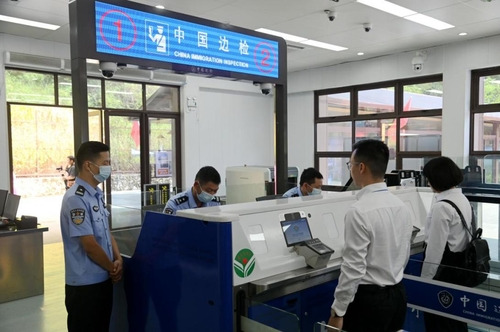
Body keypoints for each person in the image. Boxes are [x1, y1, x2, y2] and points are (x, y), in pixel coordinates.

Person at [328, 139, 413, 332]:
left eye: (351, 165)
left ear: (361, 167)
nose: (350, 169)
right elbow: (404, 253)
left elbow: (353, 268)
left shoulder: (358, 211)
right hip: (397, 296)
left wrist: (338, 311)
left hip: (369, 302)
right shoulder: (401, 207)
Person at [60, 141, 123, 332]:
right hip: (84, 287)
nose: (108, 167)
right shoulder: (75, 198)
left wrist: (118, 258)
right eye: (105, 163)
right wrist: (112, 267)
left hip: (102, 280)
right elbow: (89, 244)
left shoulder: (95, 194)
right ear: (88, 165)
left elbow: (105, 231)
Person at [420, 156, 471, 332]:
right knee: (455, 319)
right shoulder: (461, 198)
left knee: (439, 322)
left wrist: (425, 281)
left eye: (429, 178)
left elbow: (435, 249)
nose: (427, 182)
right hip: (459, 267)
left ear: (437, 179)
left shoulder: (441, 207)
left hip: (443, 272)